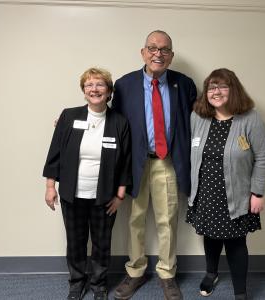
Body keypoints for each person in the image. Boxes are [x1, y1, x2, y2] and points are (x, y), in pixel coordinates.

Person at [112, 30, 197, 300]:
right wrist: (72, 120)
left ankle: (167, 273)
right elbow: (112, 120)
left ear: (171, 56)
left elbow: (197, 121)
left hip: (168, 162)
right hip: (135, 164)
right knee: (135, 219)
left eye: (164, 49)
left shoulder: (184, 84)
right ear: (143, 52)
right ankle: (135, 271)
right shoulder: (124, 85)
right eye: (152, 48)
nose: (157, 53)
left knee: (167, 221)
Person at [43, 67, 131, 300]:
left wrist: (120, 196)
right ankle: (76, 283)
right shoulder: (68, 117)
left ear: (109, 91)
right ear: (83, 91)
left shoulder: (119, 122)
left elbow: (125, 161)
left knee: (102, 243)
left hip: (104, 196)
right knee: (76, 242)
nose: (94, 89)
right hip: (73, 194)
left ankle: (99, 285)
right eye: (89, 85)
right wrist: (50, 186)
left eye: (100, 84)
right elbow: (55, 154)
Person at [187, 68, 265, 300]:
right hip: (205, 192)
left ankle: (240, 292)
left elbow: (264, 156)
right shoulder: (198, 117)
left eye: (222, 86)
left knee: (236, 243)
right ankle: (211, 273)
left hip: (237, 195)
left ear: (233, 89)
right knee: (210, 237)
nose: (216, 92)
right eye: (211, 87)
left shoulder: (250, 118)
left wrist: (258, 192)